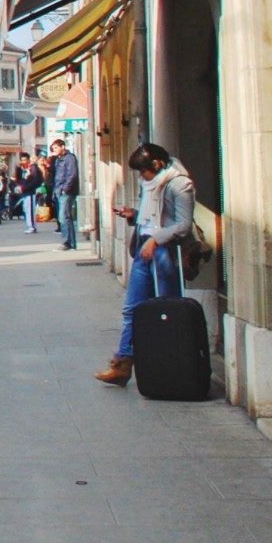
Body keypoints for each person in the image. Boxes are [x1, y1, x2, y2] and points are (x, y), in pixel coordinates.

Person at [96, 143, 197, 387]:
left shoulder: (179, 184)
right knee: (132, 308)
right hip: (144, 247)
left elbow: (183, 224)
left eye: (144, 172)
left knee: (167, 309)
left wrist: (156, 239)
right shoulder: (150, 184)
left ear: (157, 164)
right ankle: (122, 363)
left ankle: (171, 364)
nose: (141, 177)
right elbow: (151, 215)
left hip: (164, 251)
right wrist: (134, 215)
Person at [50, 139, 81, 250]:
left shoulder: (69, 158)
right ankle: (71, 243)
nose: (54, 150)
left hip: (66, 191)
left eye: (56, 148)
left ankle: (66, 242)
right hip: (60, 190)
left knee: (63, 217)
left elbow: (72, 174)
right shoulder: (58, 160)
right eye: (53, 149)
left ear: (62, 147)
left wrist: (65, 189)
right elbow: (56, 175)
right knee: (66, 217)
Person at [12, 152, 44, 232]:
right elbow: (19, 179)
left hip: (30, 192)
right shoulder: (21, 169)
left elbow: (34, 181)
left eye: (25, 160)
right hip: (25, 192)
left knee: (30, 210)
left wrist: (24, 188)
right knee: (26, 209)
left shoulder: (32, 168)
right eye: (22, 160)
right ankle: (30, 225)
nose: (24, 162)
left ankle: (32, 227)